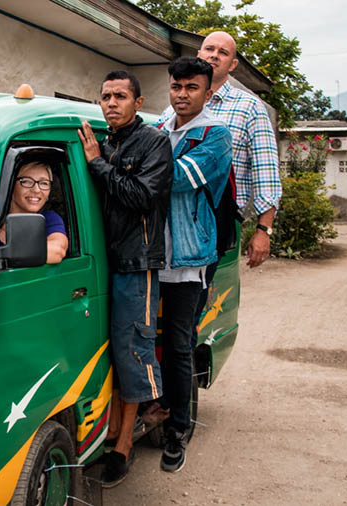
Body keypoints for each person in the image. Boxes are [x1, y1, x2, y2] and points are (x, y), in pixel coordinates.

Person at [78, 71, 173, 487]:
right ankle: (109, 427)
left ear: (138, 102)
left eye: (120, 96)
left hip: (136, 263)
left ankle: (124, 445)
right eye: (106, 96)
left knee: (131, 349)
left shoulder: (153, 143)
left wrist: (97, 164)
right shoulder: (102, 141)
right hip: (100, 263)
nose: (112, 103)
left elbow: (140, 196)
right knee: (103, 350)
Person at [157, 57, 232, 473]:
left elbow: (178, 177)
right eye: (176, 87)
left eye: (191, 88)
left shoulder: (215, 135)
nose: (182, 95)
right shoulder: (158, 129)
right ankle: (155, 407)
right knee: (144, 339)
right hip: (149, 255)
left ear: (207, 92)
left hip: (188, 260)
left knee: (178, 345)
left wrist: (131, 162)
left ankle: (178, 430)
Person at [159, 31, 282, 269]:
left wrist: (263, 230)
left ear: (233, 64)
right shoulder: (170, 111)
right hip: (174, 216)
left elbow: (266, 171)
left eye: (223, 53)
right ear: (199, 54)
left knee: (206, 288)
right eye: (209, 49)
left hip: (219, 217)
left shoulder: (249, 107)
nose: (214, 55)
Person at [0, 161, 68, 264]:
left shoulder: (50, 219)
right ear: (10, 185)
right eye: (26, 181)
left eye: (44, 183)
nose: (36, 190)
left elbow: (57, 251)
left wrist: (2, 254)